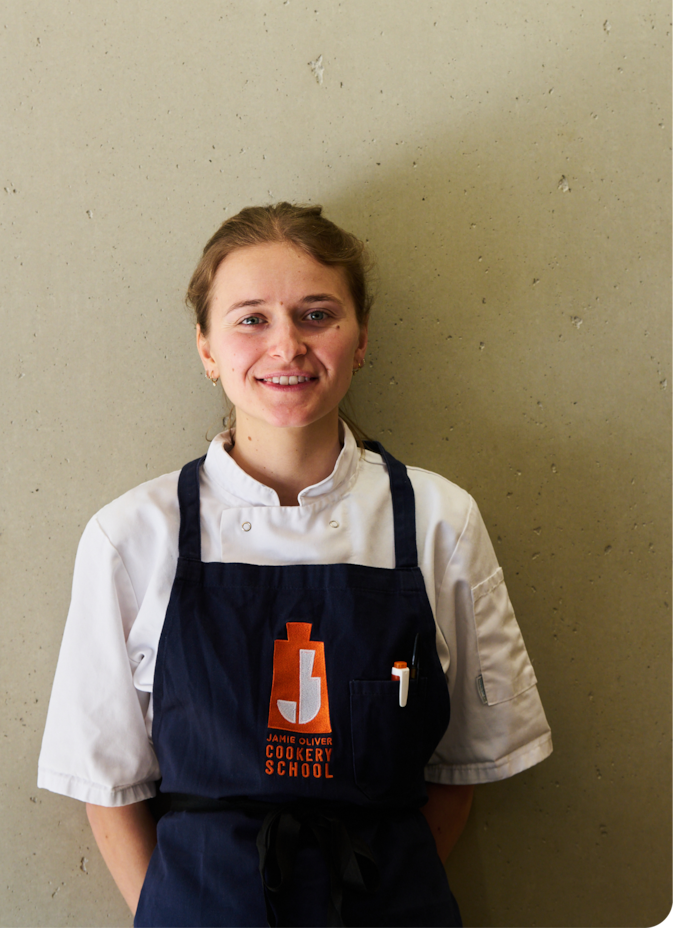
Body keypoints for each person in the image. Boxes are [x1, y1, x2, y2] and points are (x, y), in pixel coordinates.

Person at [38, 202, 552, 927]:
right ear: (206, 347)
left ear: (362, 337)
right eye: (251, 319)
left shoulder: (440, 521)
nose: (286, 346)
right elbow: (108, 785)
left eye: (316, 314)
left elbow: (461, 771)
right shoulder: (132, 535)